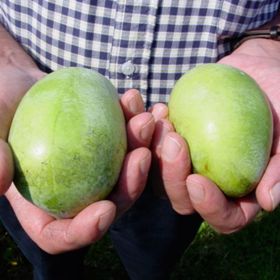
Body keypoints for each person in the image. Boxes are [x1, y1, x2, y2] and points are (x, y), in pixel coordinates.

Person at [0, 1, 280, 279]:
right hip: (25, 92)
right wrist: (4, 57)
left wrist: (272, 44)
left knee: (151, 257)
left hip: (176, 159)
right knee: (49, 258)